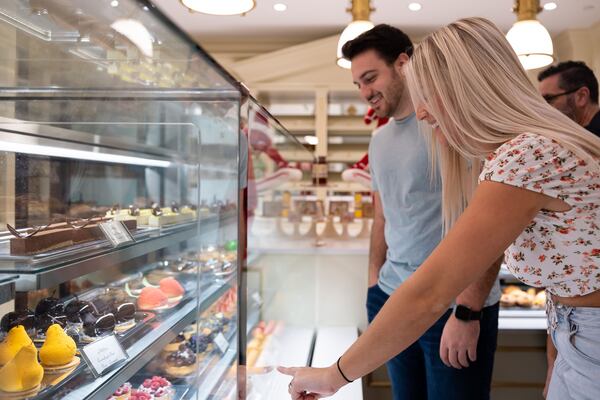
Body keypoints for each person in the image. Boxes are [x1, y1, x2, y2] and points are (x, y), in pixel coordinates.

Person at [279, 17, 600, 400]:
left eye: (428, 95)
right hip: (574, 336)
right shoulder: (528, 148)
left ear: (466, 88)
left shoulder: (527, 156)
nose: (423, 113)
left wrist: (333, 375)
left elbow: (430, 292)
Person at [340, 24, 501, 400]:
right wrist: (372, 283)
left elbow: (493, 224)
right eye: (358, 85)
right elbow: (383, 218)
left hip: (451, 306)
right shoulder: (378, 140)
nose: (365, 93)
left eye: (370, 78)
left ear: (402, 63)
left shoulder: (456, 126)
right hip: (392, 297)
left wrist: (468, 310)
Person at [538, 60, 600, 396]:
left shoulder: (586, 152)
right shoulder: (566, 146)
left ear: (581, 96)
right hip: (568, 322)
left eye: (549, 99)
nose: (542, 110)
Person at [538, 61, 600, 137]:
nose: (543, 107)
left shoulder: (592, 139)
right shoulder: (581, 135)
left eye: (549, 99)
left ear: (581, 96)